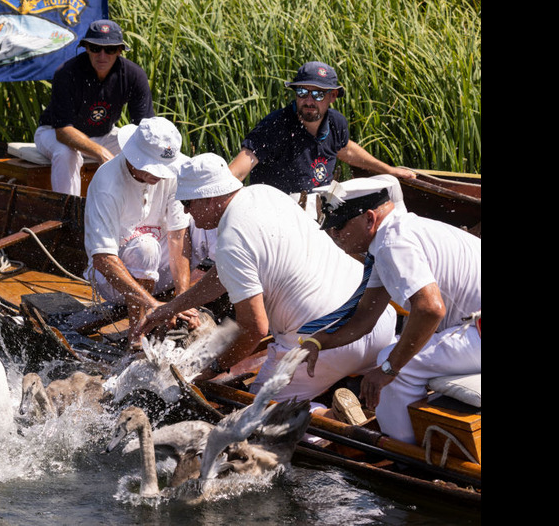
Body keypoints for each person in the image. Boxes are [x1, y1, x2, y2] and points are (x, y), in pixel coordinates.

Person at [132, 153, 396, 404]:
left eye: (187, 203)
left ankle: (323, 413)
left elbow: (256, 328)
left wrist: (213, 368)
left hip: (322, 347)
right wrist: (170, 308)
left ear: (209, 199)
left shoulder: (230, 241)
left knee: (250, 418)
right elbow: (224, 274)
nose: (187, 213)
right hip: (377, 323)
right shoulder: (265, 193)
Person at [302, 175, 481, 443]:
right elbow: (364, 317)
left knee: (394, 362)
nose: (334, 235)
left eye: (339, 226)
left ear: (369, 219)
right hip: (472, 331)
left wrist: (388, 370)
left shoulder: (392, 243)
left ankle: (404, 455)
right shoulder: (395, 235)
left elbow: (431, 309)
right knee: (397, 352)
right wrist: (319, 341)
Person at [228, 61, 415, 213]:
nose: (309, 101)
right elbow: (237, 172)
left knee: (389, 184)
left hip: (323, 201)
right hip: (281, 209)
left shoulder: (336, 123)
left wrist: (389, 170)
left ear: (332, 96)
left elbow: (346, 149)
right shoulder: (275, 126)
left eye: (318, 94)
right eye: (302, 92)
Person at [84, 117, 198, 348]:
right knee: (145, 247)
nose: (160, 175)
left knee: (207, 222)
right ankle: (137, 335)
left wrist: (181, 298)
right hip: (115, 280)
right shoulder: (107, 183)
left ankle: (192, 305)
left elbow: (177, 237)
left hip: (161, 269)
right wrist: (153, 304)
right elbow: (103, 259)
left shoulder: (174, 174)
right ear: (133, 156)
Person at [34, 19, 154, 195]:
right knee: (66, 154)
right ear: (87, 48)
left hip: (104, 134)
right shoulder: (66, 73)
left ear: (120, 50)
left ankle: (142, 212)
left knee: (143, 151)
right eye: (96, 48)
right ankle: (68, 215)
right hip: (53, 133)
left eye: (110, 49)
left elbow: (144, 129)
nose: (102, 56)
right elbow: (63, 131)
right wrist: (100, 152)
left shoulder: (133, 75)